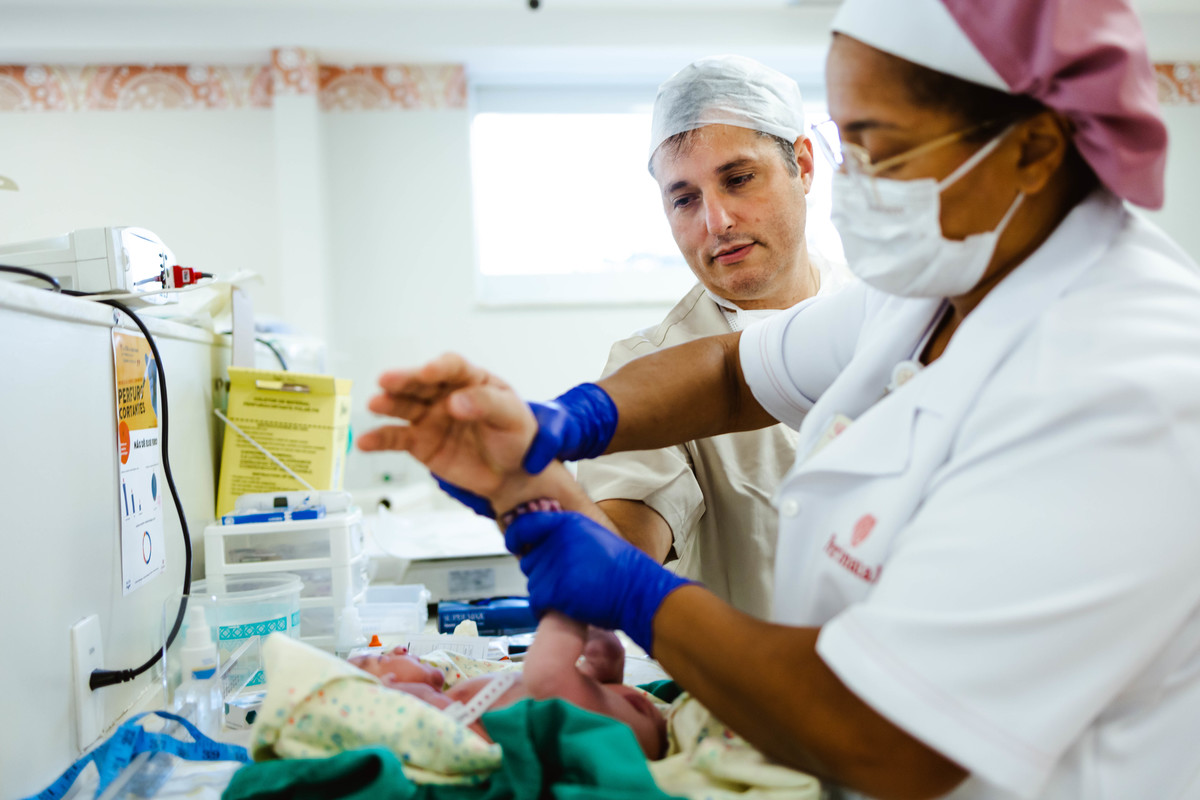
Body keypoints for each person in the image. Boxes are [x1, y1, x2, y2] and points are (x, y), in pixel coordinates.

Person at [358, 0, 1200, 797]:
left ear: (1034, 146)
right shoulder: (942, 281)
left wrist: (632, 593)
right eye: (851, 145)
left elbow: (894, 735)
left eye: (883, 149)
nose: (856, 179)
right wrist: (569, 423)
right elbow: (733, 370)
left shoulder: (1125, 383)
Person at [575, 55, 843, 619]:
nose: (715, 221)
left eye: (738, 179)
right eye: (684, 198)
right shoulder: (648, 367)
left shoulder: (888, 308)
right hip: (752, 695)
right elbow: (631, 528)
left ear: (803, 164)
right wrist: (563, 528)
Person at [348, 610, 668, 760]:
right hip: (603, 731)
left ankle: (602, 668)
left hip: (611, 708)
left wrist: (601, 680)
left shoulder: (456, 691)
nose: (397, 650)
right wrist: (401, 698)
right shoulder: (436, 714)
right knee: (547, 676)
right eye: (381, 660)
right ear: (385, 690)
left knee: (564, 676)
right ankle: (564, 616)